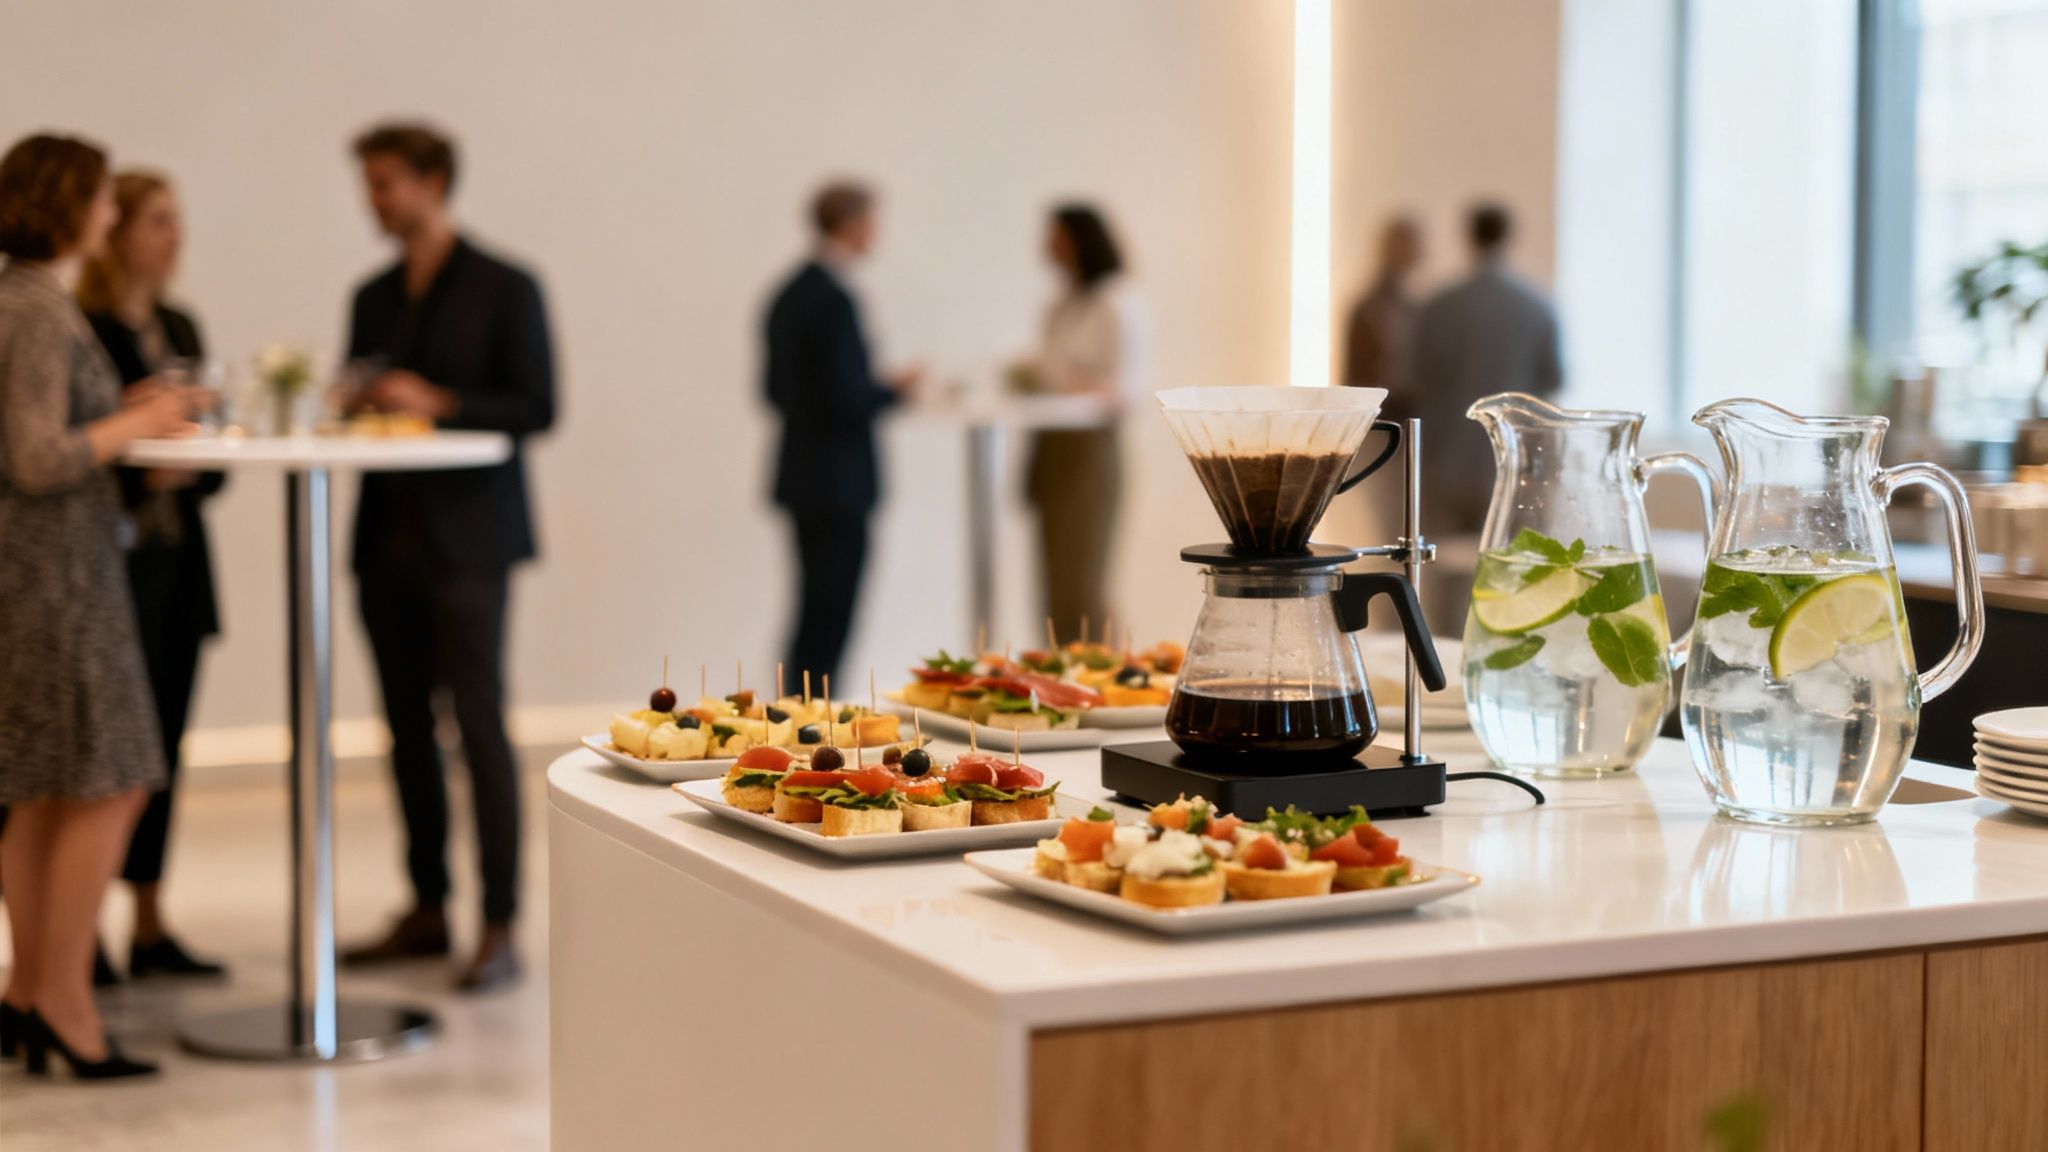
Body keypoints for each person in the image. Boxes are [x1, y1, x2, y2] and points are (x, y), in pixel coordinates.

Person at [336, 123, 555, 993]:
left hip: (471, 540)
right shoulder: (372, 294)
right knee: (403, 730)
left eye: (386, 182)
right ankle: (428, 906)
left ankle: (499, 923)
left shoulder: (506, 285)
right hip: (383, 537)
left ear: (434, 182)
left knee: (480, 725)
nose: (373, 200)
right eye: (369, 184)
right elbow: (360, 391)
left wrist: (442, 402)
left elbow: (538, 406)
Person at [0, 132, 195, 1080]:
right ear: (69, 205)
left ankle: (34, 993)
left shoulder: (20, 300)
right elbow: (35, 457)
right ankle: (68, 1003)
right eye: (103, 200)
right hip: (59, 575)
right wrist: (139, 424)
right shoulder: (37, 308)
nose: (112, 216)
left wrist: (120, 410)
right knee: (111, 778)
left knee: (41, 790)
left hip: (35, 574)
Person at [77, 170, 228, 982]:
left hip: (178, 563)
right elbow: (74, 452)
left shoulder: (177, 323)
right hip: (110, 564)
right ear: (118, 231)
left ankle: (149, 920)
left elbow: (212, 457)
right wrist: (145, 471)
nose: (175, 237)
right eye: (159, 221)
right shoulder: (82, 325)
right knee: (104, 760)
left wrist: (190, 463)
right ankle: (81, 933)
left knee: (165, 746)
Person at [764, 181, 920, 684]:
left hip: (803, 474)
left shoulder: (788, 292)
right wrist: (894, 390)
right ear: (852, 225)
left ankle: (802, 714)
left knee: (813, 608)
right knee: (829, 612)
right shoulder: (832, 298)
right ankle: (816, 723)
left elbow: (774, 389)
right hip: (838, 480)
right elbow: (844, 396)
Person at [1021, 203, 1149, 639]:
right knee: (1056, 583)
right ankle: (1060, 682)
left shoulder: (1117, 301)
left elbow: (1125, 391)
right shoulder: (1062, 304)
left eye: (1056, 237)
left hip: (1089, 448)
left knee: (1083, 581)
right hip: (1050, 444)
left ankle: (1105, 683)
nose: (1047, 248)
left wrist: (1065, 381)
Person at [1402, 202, 1564, 536]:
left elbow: (1418, 380)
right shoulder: (1536, 306)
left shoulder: (1439, 306)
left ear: (1469, 237)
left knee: (1446, 574)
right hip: (1517, 463)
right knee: (1515, 568)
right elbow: (1552, 380)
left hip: (1449, 463)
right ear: (1509, 237)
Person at [1341, 215, 1422, 391]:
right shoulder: (1371, 309)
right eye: (1408, 243)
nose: (1418, 249)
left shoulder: (1413, 305)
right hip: (1383, 408)